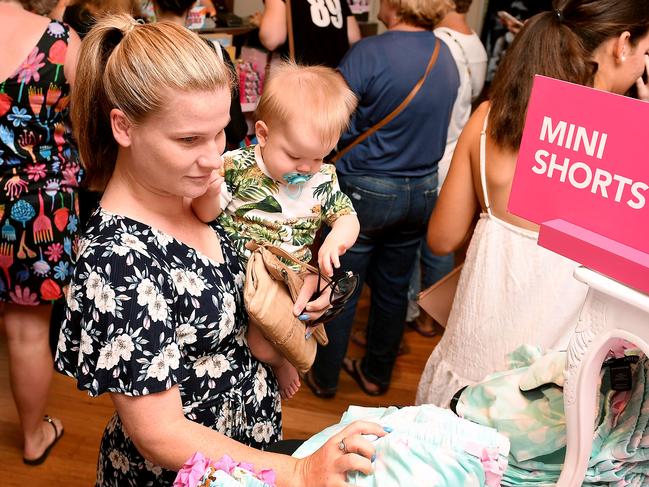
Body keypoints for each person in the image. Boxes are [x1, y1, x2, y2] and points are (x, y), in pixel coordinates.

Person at [54, 15, 385, 485]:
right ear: (124, 128)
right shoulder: (117, 258)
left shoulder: (198, 191)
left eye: (220, 133)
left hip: (249, 452)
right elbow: (161, 433)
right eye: (189, 139)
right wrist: (302, 471)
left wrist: (305, 287)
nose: (214, 158)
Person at [416, 0, 649, 408]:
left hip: (471, 362)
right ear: (622, 45)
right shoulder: (630, 147)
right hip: (549, 391)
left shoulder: (489, 119)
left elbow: (441, 238)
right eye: (646, 53)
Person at [306, 0, 459, 398]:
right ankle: (376, 375)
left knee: (341, 283)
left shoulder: (369, 52)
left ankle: (324, 378)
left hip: (366, 190)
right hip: (421, 191)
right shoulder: (447, 56)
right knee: (393, 288)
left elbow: (329, 120)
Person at [192, 61, 359, 401]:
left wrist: (336, 239)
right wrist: (210, 194)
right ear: (264, 134)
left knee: (263, 344)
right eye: (296, 156)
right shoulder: (237, 165)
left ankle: (283, 362)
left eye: (319, 157)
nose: (306, 169)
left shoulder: (323, 179)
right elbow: (205, 215)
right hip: (234, 275)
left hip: (281, 282)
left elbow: (348, 217)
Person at [0, 0, 81, 465]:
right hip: (35, 205)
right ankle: (34, 436)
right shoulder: (60, 41)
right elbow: (96, 122)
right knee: (27, 332)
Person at [405, 0, 488, 338]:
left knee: (419, 241)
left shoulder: (438, 42)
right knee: (441, 241)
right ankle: (433, 317)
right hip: (457, 149)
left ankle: (413, 311)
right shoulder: (476, 43)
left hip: (434, 147)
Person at [151, 0, 248, 148]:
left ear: (153, 3)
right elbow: (237, 131)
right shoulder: (214, 52)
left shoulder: (136, 54)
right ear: (193, 4)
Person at [252, 0, 361, 68]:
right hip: (337, 81)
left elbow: (272, 39)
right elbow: (354, 38)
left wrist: (262, 22)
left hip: (303, 83)